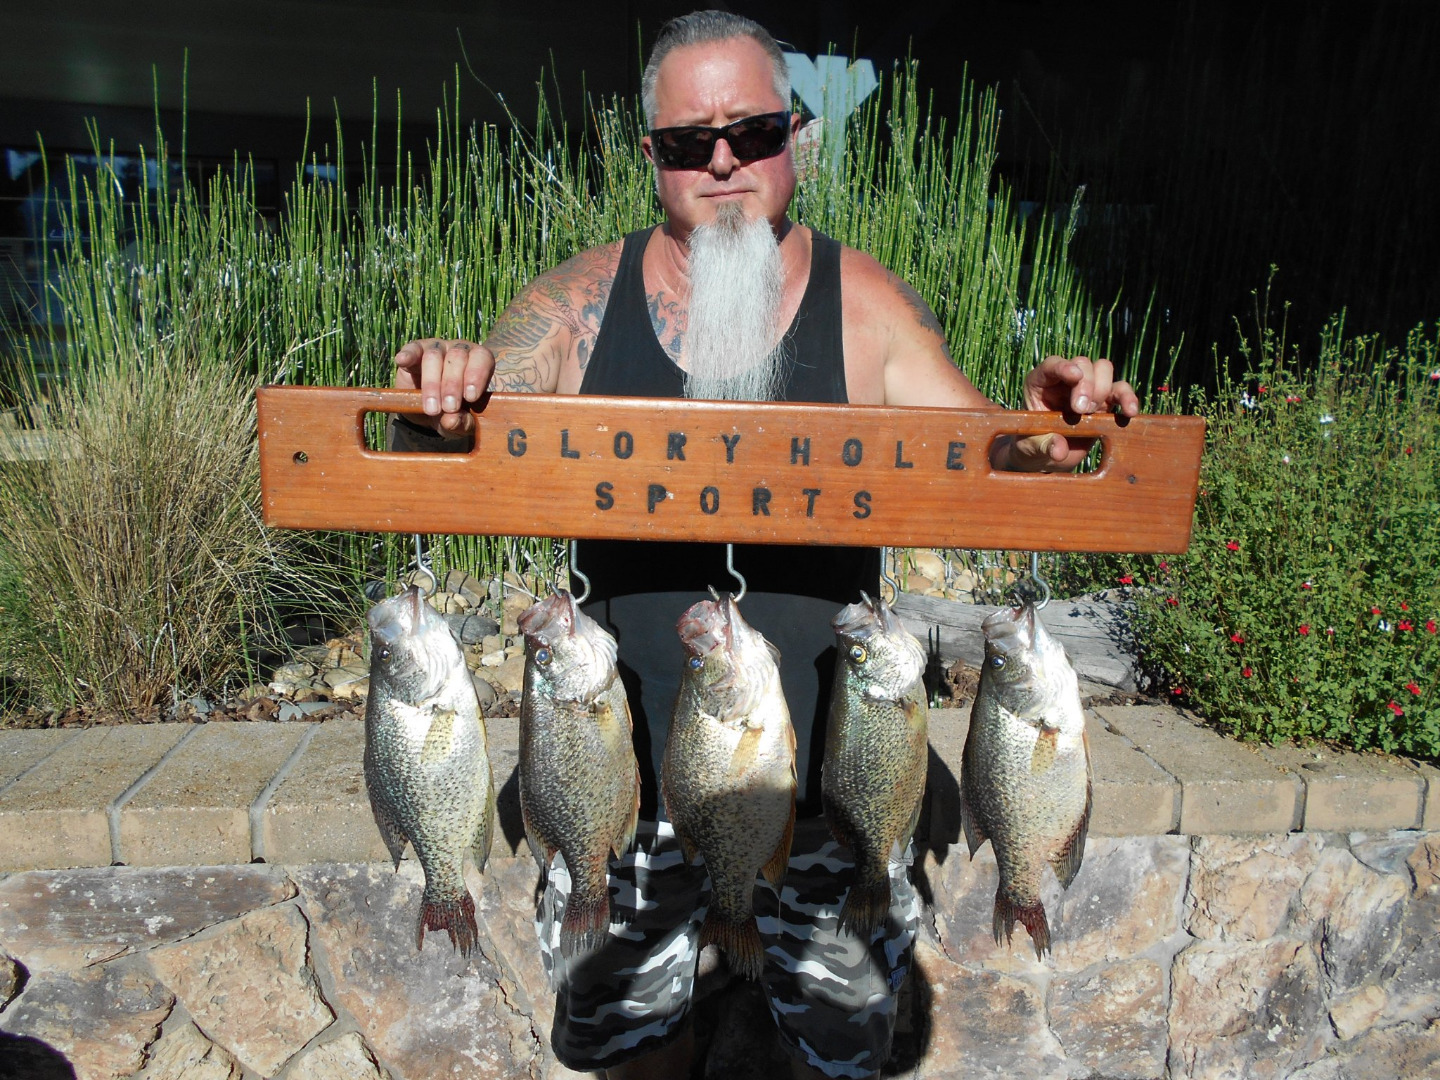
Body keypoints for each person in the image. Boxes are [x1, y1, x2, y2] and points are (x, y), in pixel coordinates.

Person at [391, 11, 1138, 1079]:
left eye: (753, 129)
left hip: (840, 781)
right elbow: (453, 431)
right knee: (628, 1055)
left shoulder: (868, 305)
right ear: (652, 155)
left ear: (795, 131)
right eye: (691, 142)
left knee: (833, 1058)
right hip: (615, 779)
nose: (725, 159)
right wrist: (440, 390)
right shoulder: (574, 307)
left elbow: (990, 459)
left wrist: (1053, 426)